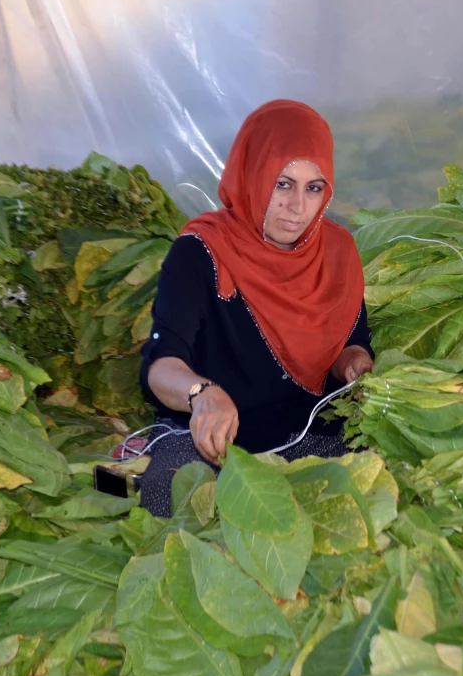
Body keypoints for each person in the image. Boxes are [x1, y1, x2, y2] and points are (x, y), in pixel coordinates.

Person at [137, 100, 374, 516]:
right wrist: (201, 394)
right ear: (252, 174)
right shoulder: (200, 253)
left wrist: (355, 365)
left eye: (313, 188)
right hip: (211, 442)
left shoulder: (337, 253)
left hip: (307, 432)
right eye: (282, 184)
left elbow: (349, 346)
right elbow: (161, 364)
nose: (298, 207)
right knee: (167, 497)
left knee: (367, 489)